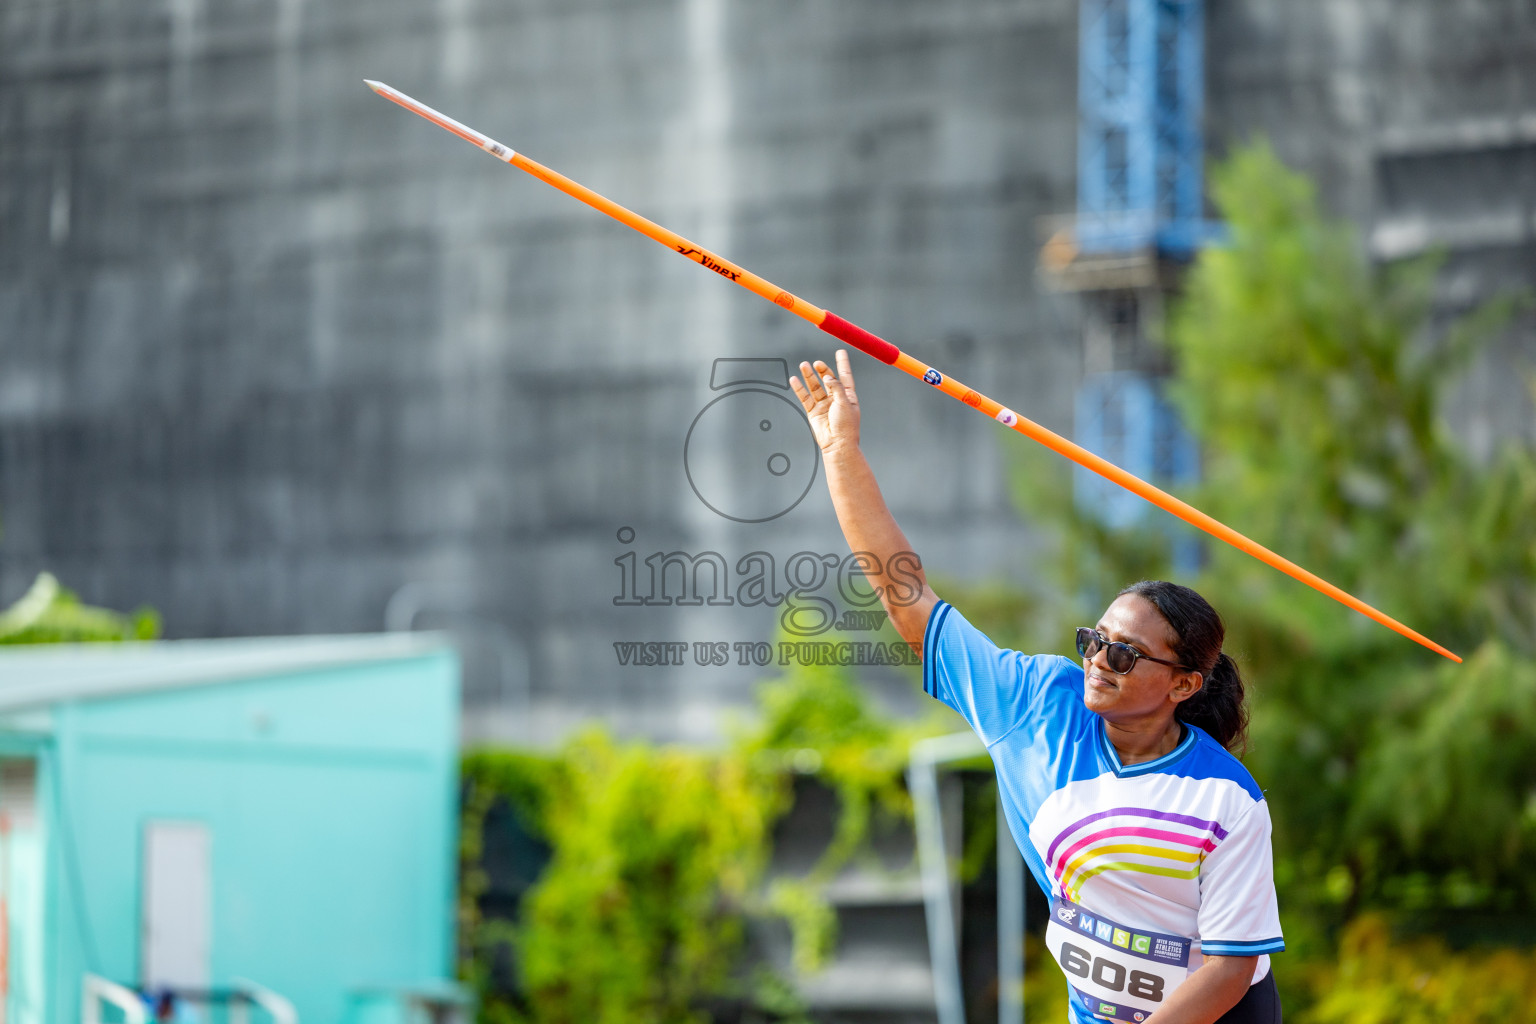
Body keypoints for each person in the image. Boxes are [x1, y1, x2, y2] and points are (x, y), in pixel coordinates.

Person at [791, 352, 1283, 1024]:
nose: (1100, 660)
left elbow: (1228, 974)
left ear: (1185, 684)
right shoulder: (1034, 704)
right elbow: (908, 597)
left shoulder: (1227, 798)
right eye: (1095, 640)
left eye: (1126, 653)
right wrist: (841, 450)